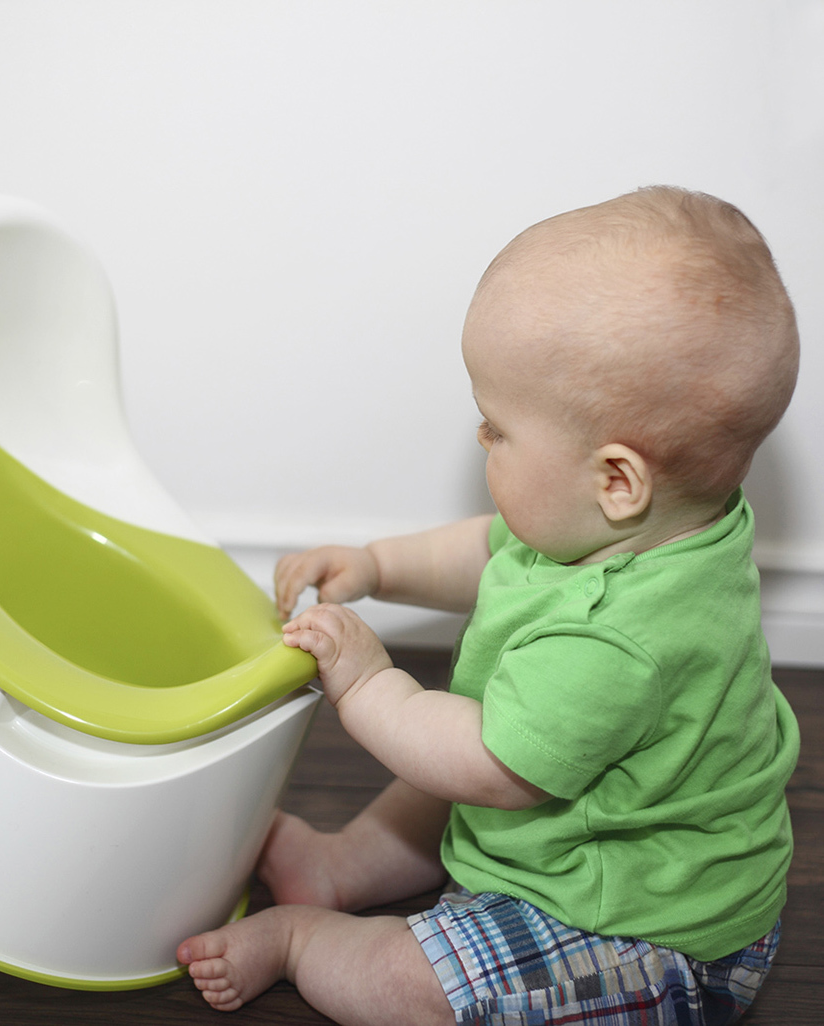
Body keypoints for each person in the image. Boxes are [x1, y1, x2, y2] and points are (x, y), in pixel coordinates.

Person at [176, 186, 801, 1026]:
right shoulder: (632, 525)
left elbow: (487, 768)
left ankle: (306, 940)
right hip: (571, 821)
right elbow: (488, 552)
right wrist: (376, 565)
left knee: (427, 974)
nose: (481, 439)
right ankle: (339, 864)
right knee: (458, 750)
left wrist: (366, 685)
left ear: (617, 480)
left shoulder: (620, 639)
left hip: (645, 931)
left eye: (498, 427)